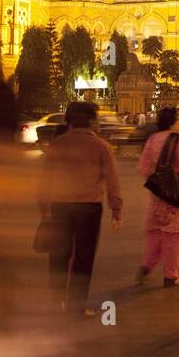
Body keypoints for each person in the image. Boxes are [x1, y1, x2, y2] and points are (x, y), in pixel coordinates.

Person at [37, 101, 123, 317]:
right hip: (89, 208)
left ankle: (56, 303)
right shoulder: (101, 147)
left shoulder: (57, 145)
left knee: (57, 256)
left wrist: (44, 208)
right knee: (83, 258)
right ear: (92, 122)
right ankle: (77, 306)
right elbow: (112, 180)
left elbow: (45, 180)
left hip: (60, 207)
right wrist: (116, 210)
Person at [137, 107, 179, 287]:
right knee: (175, 235)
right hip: (175, 196)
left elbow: (143, 167)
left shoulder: (152, 139)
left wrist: (158, 182)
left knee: (155, 232)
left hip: (158, 196)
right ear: (172, 121)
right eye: (178, 117)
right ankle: (171, 275)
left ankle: (147, 264)